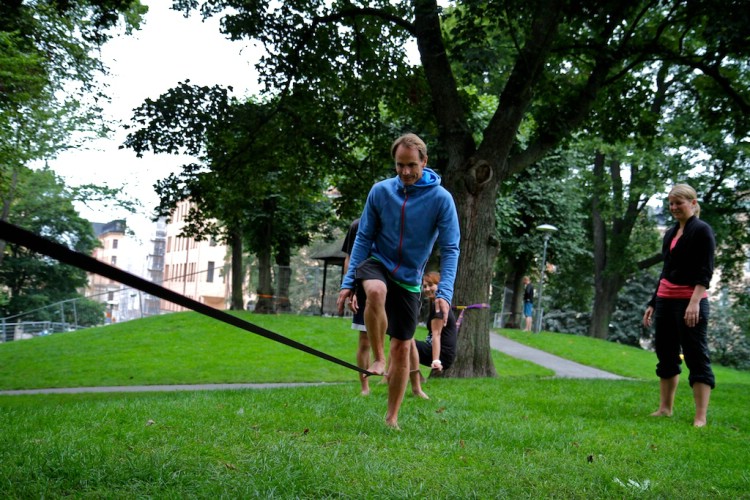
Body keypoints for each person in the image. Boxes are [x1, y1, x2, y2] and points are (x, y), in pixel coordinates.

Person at [337, 133, 460, 429]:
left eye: (411, 165)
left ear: (424, 162)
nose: (405, 172)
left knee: (403, 347)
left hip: (408, 277)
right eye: (399, 165)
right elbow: (363, 236)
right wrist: (349, 281)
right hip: (378, 262)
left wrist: (444, 292)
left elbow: (451, 247)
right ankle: (378, 359)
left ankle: (392, 417)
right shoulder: (380, 192)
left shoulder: (441, 199)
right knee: (376, 290)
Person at [642, 184, 716, 427]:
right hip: (665, 299)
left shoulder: (702, 230)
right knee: (666, 354)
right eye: (671, 203)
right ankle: (665, 408)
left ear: (693, 203)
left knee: (696, 356)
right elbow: (666, 270)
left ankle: (700, 416)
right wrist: (654, 302)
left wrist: (694, 302)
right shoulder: (671, 232)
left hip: (690, 302)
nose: (674, 208)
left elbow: (705, 271)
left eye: (679, 203)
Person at [409, 271, 458, 399]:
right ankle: (413, 377)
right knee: (404, 341)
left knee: (406, 343)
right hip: (437, 351)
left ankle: (416, 384)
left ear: (439, 285)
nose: (427, 289)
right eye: (424, 286)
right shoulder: (434, 303)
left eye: (431, 285)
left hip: (443, 355)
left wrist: (436, 360)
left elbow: (437, 335)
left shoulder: (439, 307)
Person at [337, 218, 372, 396]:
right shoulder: (358, 225)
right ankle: (365, 386)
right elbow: (350, 258)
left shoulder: (396, 220)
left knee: (398, 338)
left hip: (392, 284)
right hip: (363, 286)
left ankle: (393, 380)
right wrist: (350, 287)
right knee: (365, 340)